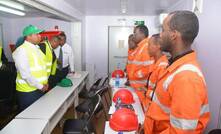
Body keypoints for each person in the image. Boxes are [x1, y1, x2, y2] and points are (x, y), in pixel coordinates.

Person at [143, 10, 210, 134]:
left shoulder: (187, 77)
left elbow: (180, 132)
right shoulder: (173, 65)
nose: (160, 35)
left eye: (163, 30)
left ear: (174, 35)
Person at [13, 25, 48, 111]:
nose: (40, 36)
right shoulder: (21, 50)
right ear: (28, 36)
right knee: (30, 118)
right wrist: (41, 86)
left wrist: (45, 83)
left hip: (40, 88)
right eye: (37, 34)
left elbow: (42, 68)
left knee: (40, 114)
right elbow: (25, 75)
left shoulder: (37, 48)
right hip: (28, 91)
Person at [142, 34, 168, 111]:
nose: (147, 47)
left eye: (149, 44)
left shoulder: (163, 66)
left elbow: (161, 96)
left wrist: (146, 92)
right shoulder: (154, 62)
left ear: (158, 46)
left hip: (154, 111)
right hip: (147, 108)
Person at [128, 25, 153, 102]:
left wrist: (134, 75)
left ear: (142, 34)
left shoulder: (146, 47)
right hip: (137, 87)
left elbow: (149, 68)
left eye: (135, 33)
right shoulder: (141, 47)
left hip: (141, 88)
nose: (134, 36)